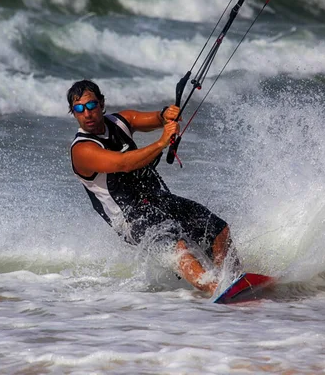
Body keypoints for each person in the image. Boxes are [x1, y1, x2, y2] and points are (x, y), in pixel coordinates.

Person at [68, 79, 238, 293]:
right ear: (74, 113)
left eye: (91, 105)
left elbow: (149, 119)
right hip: (130, 218)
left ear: (101, 104)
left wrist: (166, 114)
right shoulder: (82, 150)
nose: (87, 113)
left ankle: (235, 280)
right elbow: (124, 163)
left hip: (156, 199)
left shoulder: (120, 121)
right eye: (79, 109)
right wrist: (161, 143)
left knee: (217, 229)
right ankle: (215, 288)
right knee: (178, 247)